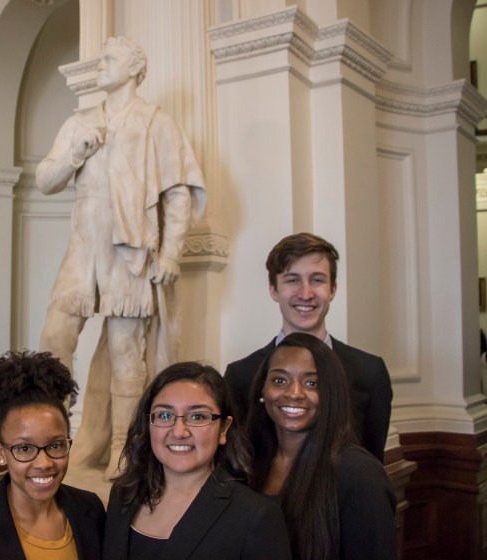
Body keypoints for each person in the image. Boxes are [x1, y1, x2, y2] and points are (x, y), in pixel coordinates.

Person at [36, 36, 207, 478]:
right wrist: (79, 151)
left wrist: (170, 252)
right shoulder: (81, 122)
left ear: (133, 67)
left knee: (126, 351)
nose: (100, 66)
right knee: (55, 337)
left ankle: (121, 448)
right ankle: (55, 432)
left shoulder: (155, 123)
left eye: (109, 59)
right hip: (84, 250)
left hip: (130, 254)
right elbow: (45, 180)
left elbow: (177, 192)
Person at [224, 232, 392, 461]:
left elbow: (372, 464)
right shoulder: (241, 375)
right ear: (274, 290)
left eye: (317, 280)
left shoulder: (370, 373)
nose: (305, 293)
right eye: (292, 280)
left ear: (332, 289)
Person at [103, 362, 291, 560]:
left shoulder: (255, 517)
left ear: (224, 429)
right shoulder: (123, 495)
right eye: (164, 415)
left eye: (198, 416)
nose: (179, 432)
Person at [0, 351, 105, 560]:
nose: (44, 463)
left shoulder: (90, 510)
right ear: (1, 452)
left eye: (56, 445)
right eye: (24, 449)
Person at [246, 332, 396, 560]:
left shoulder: (361, 476)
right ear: (262, 391)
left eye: (312, 383)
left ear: (330, 393)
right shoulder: (247, 462)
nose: (294, 393)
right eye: (279, 380)